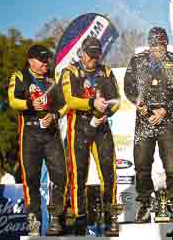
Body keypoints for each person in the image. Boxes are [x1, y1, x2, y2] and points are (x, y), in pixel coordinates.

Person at [124, 27, 173, 222]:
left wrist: (165, 110)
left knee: (172, 166)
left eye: (161, 46)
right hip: (144, 119)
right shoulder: (137, 60)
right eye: (154, 46)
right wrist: (139, 103)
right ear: (149, 45)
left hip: (166, 119)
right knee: (142, 164)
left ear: (166, 45)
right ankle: (144, 203)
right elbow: (129, 86)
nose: (158, 50)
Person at [60, 36, 121, 235]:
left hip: (102, 127)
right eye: (91, 56)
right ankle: (79, 218)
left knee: (109, 172)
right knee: (79, 174)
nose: (94, 60)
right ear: (82, 53)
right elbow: (69, 99)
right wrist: (91, 104)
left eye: (97, 56)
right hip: (79, 127)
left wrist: (106, 111)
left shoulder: (106, 71)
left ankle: (110, 216)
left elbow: (117, 101)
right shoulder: (70, 71)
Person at [8, 44, 69, 236]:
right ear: (30, 60)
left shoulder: (53, 80)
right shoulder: (20, 76)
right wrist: (29, 103)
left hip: (51, 135)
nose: (46, 63)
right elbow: (12, 100)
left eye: (47, 59)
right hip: (30, 135)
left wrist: (55, 115)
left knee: (60, 176)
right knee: (31, 180)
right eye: (42, 59)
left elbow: (65, 104)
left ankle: (56, 219)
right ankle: (34, 222)